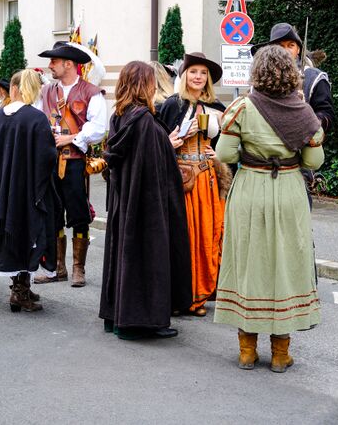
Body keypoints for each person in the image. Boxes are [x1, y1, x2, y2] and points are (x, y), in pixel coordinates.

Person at [213, 45, 324, 373]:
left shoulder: (242, 107)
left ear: (256, 73)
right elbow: (314, 160)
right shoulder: (303, 113)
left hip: (250, 188)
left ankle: (247, 350)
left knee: (248, 262)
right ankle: (280, 354)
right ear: (292, 74)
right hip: (288, 189)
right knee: (285, 264)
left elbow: (224, 154)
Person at [99, 61, 190, 340]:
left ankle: (118, 315)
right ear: (145, 85)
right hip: (146, 204)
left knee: (123, 254)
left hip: (123, 200)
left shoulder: (119, 117)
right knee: (148, 256)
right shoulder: (146, 123)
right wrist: (167, 144)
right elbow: (153, 169)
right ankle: (142, 321)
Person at [0, 70, 58, 313]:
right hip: (26, 191)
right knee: (28, 234)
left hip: (1, 191)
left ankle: (21, 284)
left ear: (14, 88)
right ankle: (19, 292)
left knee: (9, 234)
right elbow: (46, 158)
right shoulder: (36, 118)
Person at [158, 52, 226, 316]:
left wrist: (217, 154)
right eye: (194, 72)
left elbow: (230, 143)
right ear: (184, 75)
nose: (198, 77)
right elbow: (161, 140)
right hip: (181, 179)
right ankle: (181, 296)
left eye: (203, 73)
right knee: (184, 236)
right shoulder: (173, 105)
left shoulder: (217, 106)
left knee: (207, 235)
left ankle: (201, 295)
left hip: (207, 178)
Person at [35, 41, 107, 288]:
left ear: (68, 64)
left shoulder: (91, 92)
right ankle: (57, 268)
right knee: (52, 215)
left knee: (79, 216)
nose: (50, 66)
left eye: (54, 61)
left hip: (75, 162)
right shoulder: (45, 92)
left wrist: (72, 138)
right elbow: (36, 119)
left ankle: (79, 269)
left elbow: (98, 127)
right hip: (49, 162)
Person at [251, 23, 335, 134]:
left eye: (291, 45)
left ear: (298, 50)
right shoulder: (262, 78)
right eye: (280, 46)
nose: (286, 50)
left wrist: (310, 123)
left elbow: (327, 114)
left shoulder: (314, 78)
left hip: (304, 142)